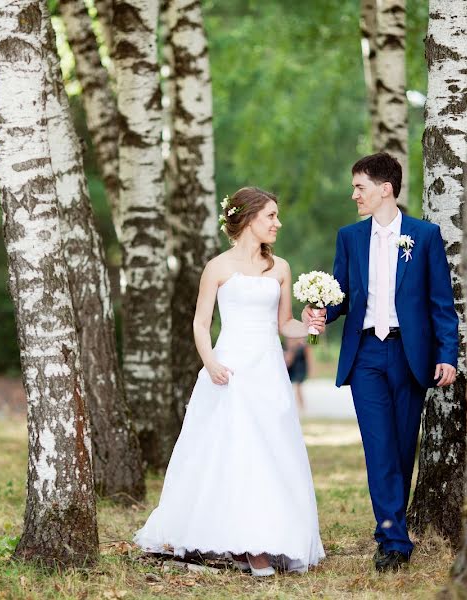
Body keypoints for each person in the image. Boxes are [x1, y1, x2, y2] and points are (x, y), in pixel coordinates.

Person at [134, 187, 325, 576]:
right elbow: (201, 323)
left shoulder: (281, 268)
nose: (277, 223)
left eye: (277, 215)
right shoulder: (218, 267)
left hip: (268, 369)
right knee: (234, 452)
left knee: (270, 452)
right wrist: (211, 362)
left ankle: (265, 537)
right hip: (230, 369)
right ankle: (248, 547)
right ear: (250, 218)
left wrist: (307, 328)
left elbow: (283, 324)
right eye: (271, 216)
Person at [305, 153, 458, 573]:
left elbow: (441, 306)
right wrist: (320, 310)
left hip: (411, 356)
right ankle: (392, 538)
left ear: (385, 188)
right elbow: (342, 297)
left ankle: (394, 526)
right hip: (367, 354)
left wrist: (447, 355)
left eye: (360, 186)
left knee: (403, 445)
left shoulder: (425, 236)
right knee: (378, 447)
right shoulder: (349, 238)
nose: (354, 194)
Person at [283, 339, 310, 414]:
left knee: (298, 388)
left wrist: (310, 370)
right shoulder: (289, 341)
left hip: (300, 369)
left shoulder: (303, 344)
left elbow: (308, 357)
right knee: (290, 388)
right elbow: (288, 359)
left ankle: (302, 407)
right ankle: (296, 407)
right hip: (292, 368)